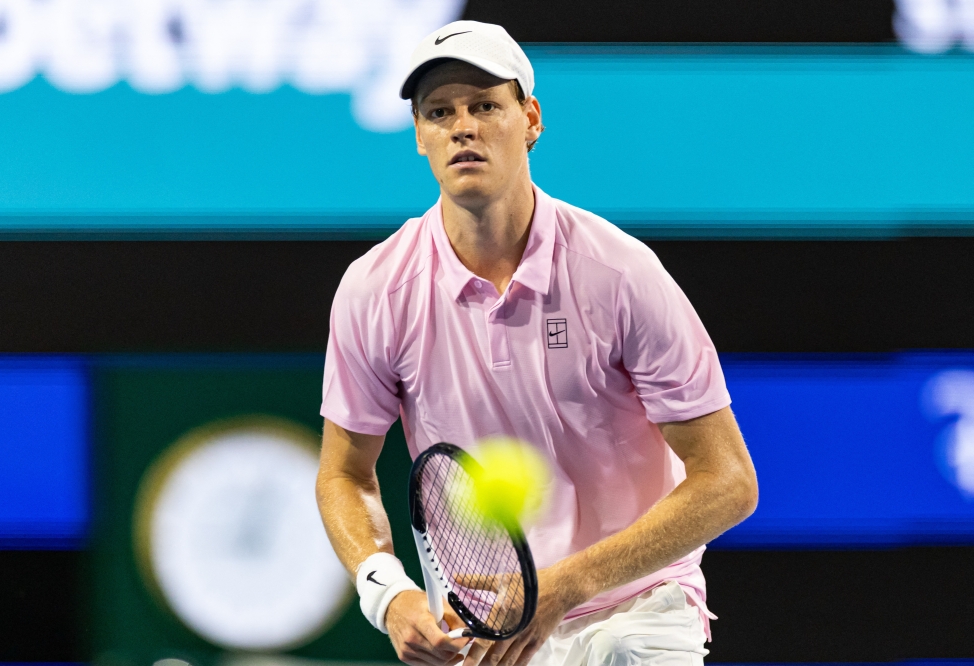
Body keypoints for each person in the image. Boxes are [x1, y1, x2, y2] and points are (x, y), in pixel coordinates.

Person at [316, 20, 758, 666]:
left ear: (530, 119)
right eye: (439, 112)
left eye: (484, 106)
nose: (462, 127)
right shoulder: (376, 289)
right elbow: (344, 473)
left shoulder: (619, 272)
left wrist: (567, 583)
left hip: (634, 608)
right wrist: (387, 592)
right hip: (486, 626)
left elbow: (729, 482)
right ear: (419, 136)